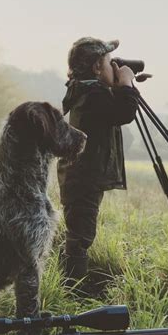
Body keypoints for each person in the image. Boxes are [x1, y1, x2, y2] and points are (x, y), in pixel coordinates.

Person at [57, 37, 140, 289]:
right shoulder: (92, 95)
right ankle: (73, 287)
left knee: (80, 230)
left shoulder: (85, 89)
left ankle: (73, 279)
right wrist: (125, 84)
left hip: (80, 177)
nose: (112, 66)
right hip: (83, 178)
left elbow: (112, 108)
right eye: (107, 62)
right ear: (95, 68)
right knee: (81, 236)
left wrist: (120, 87)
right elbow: (123, 113)